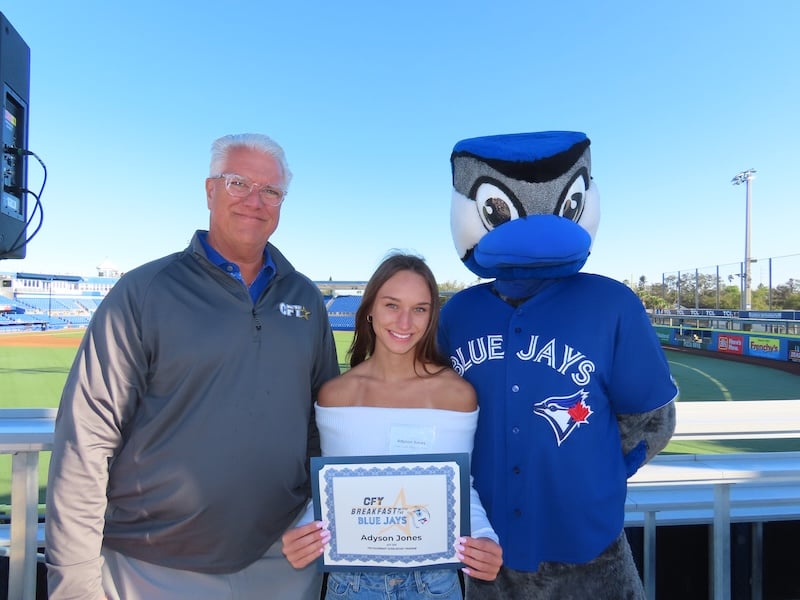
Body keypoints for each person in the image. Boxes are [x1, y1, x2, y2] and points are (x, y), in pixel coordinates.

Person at [44, 133, 341, 600]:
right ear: (209, 190)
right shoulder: (144, 292)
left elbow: (324, 427)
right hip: (154, 565)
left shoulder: (305, 298)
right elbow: (85, 440)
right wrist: (75, 585)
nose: (254, 201)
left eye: (271, 191)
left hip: (281, 562)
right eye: (239, 182)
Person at [281, 253, 503, 599]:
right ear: (370, 308)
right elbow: (332, 492)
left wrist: (486, 538)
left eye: (419, 309)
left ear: (431, 316)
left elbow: (460, 486)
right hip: (351, 584)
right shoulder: (335, 395)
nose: (404, 322)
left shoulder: (457, 394)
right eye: (391, 305)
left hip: (435, 583)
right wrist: (303, 532)